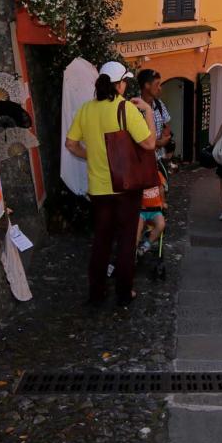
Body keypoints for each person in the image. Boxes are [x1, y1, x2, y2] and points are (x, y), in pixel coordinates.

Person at [66, 61, 156, 306]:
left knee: (101, 241)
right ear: (120, 84)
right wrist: (147, 111)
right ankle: (124, 294)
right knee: (126, 241)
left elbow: (71, 145)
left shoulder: (86, 110)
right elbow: (149, 144)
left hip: (99, 189)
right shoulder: (125, 109)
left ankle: (97, 293)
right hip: (125, 187)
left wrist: (92, 155)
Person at [135, 70, 170, 253]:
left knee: (160, 189)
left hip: (157, 159)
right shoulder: (134, 106)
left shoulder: (159, 105)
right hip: (140, 161)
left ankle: (154, 225)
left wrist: (165, 138)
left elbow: (167, 127)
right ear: (146, 86)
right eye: (157, 84)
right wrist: (155, 143)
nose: (160, 88)